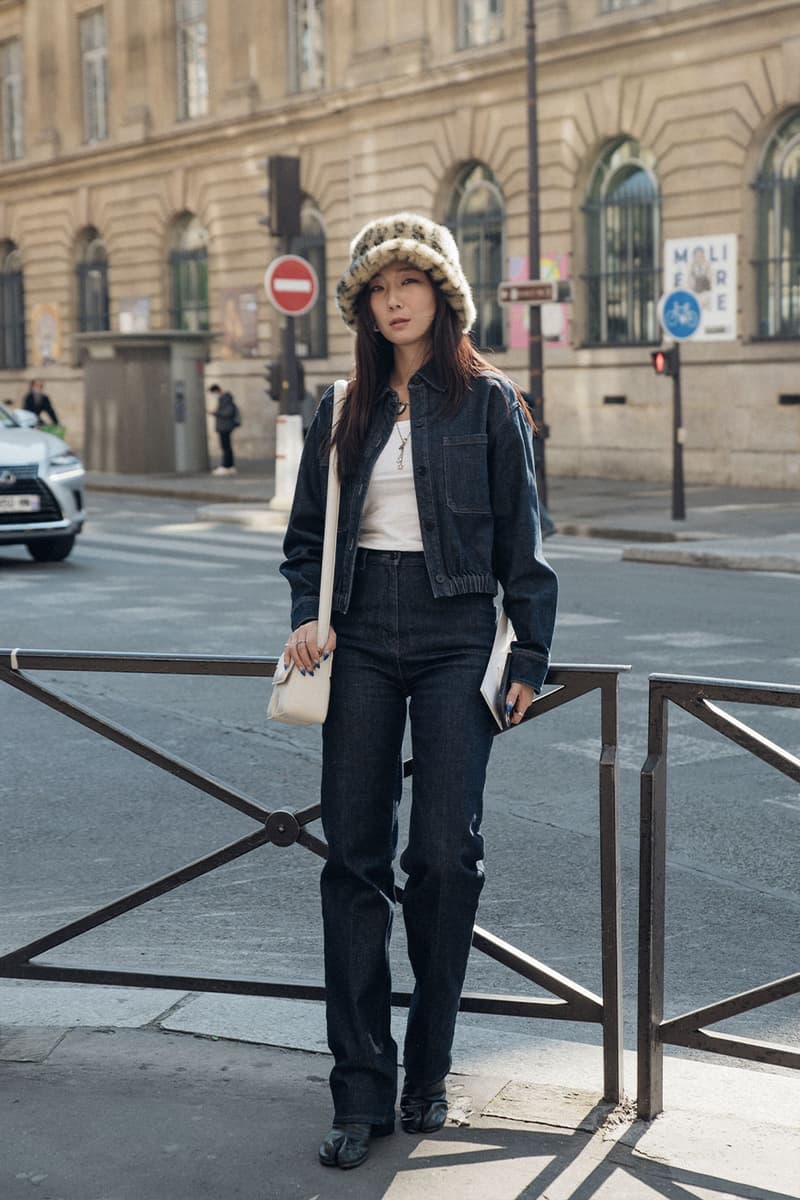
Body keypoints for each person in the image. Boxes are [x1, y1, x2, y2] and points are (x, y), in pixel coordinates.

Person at [280, 212, 558, 1171]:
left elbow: (526, 544)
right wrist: (304, 613)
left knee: (443, 856)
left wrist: (529, 658)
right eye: (379, 288)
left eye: (413, 283)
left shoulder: (487, 402)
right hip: (355, 634)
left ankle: (427, 1071)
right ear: (364, 306)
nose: (395, 300)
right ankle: (359, 1088)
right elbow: (307, 538)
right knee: (352, 858)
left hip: (456, 633)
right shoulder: (341, 406)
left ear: (444, 296)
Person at [208, 383, 240, 475]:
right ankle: (230, 466)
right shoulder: (224, 399)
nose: (214, 396)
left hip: (225, 427)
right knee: (227, 447)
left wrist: (216, 413)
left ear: (216, 391)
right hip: (224, 426)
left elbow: (228, 412)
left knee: (225, 447)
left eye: (213, 393)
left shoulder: (225, 399)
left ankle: (226, 466)